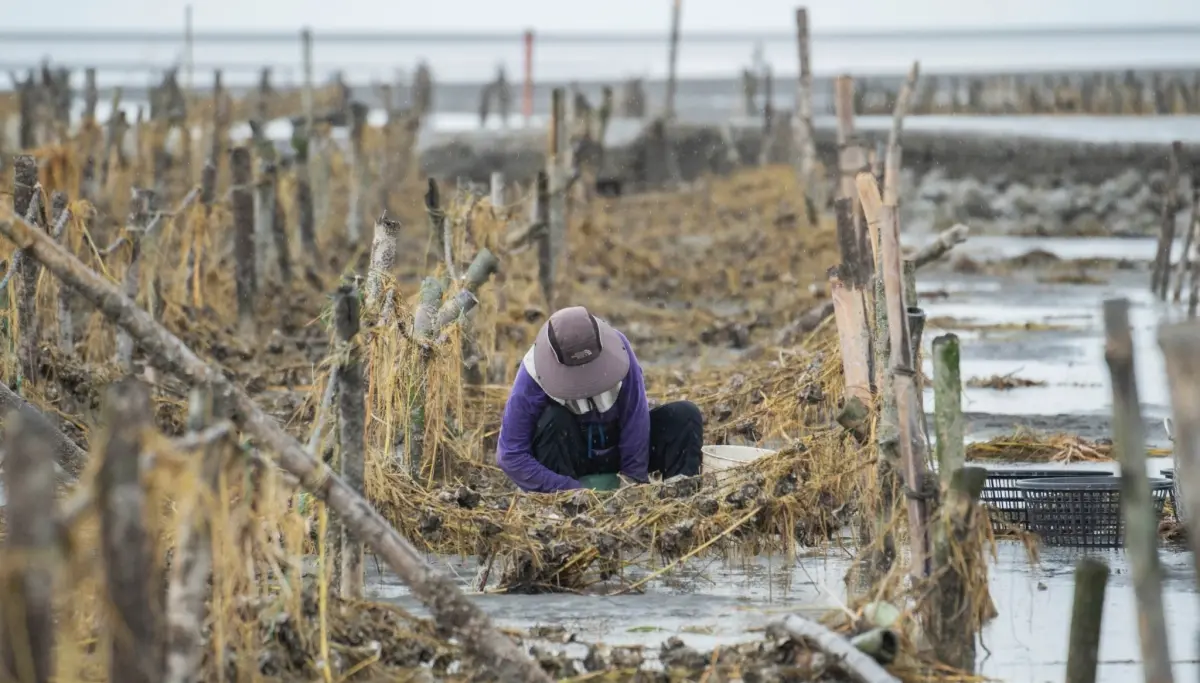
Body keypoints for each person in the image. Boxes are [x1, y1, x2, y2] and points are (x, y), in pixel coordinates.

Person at [497, 306, 703, 492]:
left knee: (684, 415)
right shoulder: (532, 372)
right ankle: (568, 511)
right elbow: (511, 455)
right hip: (569, 460)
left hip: (615, 448)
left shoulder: (619, 349)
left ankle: (680, 499)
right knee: (553, 419)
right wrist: (570, 489)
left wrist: (633, 481)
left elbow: (635, 417)